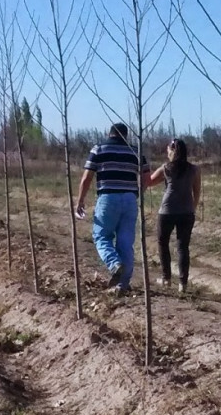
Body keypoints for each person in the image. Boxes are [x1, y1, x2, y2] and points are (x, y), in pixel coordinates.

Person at [75, 123, 150, 294]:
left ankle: (114, 263)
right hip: (130, 199)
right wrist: (137, 192)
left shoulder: (99, 149)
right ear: (126, 135)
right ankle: (123, 285)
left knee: (101, 236)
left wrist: (80, 200)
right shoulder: (135, 151)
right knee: (125, 242)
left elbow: (87, 177)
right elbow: (147, 176)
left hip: (108, 197)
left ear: (109, 134)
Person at [148, 139, 201, 294]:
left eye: (168, 150)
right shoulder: (194, 170)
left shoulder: (166, 168)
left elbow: (149, 182)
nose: (167, 153)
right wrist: (192, 208)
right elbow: (196, 192)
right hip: (187, 212)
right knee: (183, 247)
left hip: (167, 211)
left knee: (162, 243)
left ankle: (166, 279)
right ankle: (182, 284)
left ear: (173, 151)